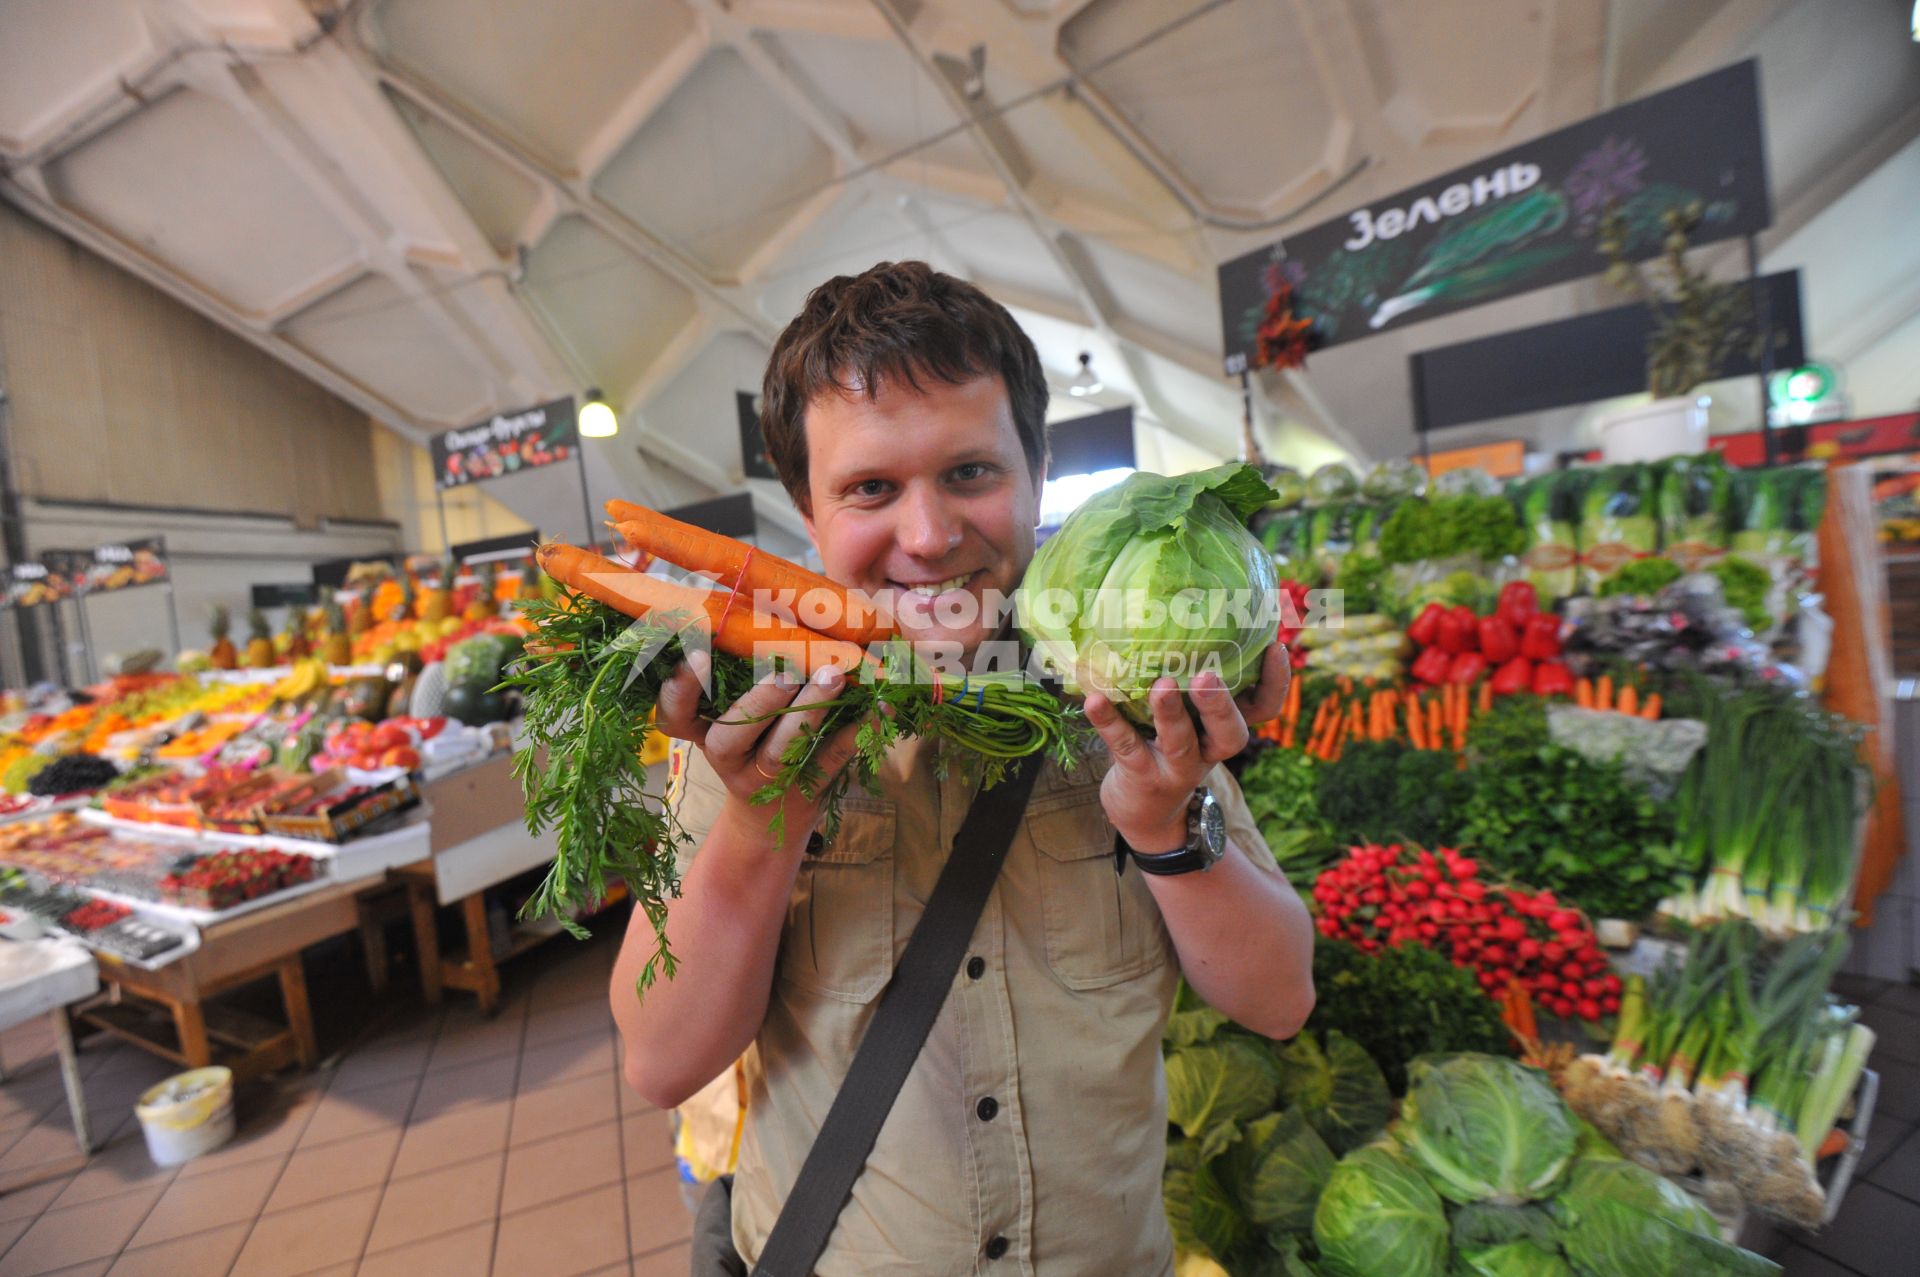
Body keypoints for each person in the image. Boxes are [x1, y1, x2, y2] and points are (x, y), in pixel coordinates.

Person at [612, 261, 1315, 1275]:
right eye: (870, 489)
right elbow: (663, 1059)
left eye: (970, 473)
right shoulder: (746, 728)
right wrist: (758, 823)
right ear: (810, 517)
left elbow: (1279, 998)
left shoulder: (1122, 702)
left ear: (1035, 473)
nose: (931, 535)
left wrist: (1165, 824)